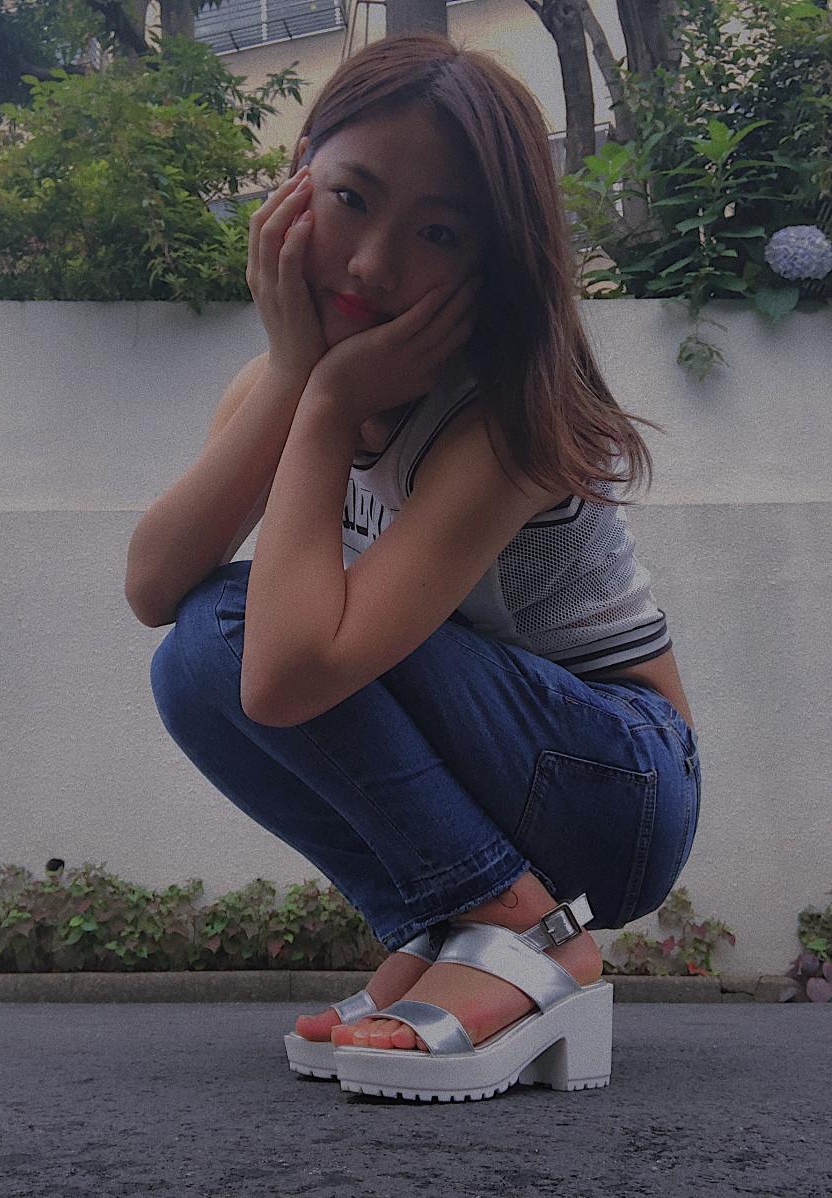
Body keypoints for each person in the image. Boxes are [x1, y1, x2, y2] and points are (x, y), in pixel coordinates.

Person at [128, 32, 702, 1101]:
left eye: (437, 231)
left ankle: (531, 937)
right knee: (193, 654)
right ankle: (451, 924)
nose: (371, 264)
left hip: (616, 786)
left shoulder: (508, 422)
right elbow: (153, 588)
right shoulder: (281, 380)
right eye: (350, 198)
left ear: (494, 260)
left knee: (239, 635)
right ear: (295, 180)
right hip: (506, 769)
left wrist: (328, 402)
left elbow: (288, 675)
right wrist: (298, 377)